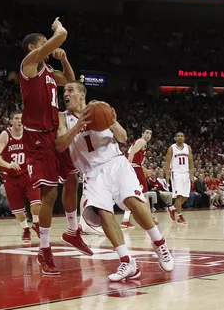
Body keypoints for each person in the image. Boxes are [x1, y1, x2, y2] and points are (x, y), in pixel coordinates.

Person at [56, 81, 173, 282]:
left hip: (115, 162)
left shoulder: (100, 108)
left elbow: (123, 137)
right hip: (92, 172)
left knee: (133, 202)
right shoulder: (62, 117)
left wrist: (110, 120)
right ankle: (127, 261)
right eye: (64, 90)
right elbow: (60, 145)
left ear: (82, 95)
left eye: (70, 90)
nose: (65, 93)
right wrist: (78, 125)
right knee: (104, 214)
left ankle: (159, 243)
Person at [20, 18, 91, 275]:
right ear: (33, 48)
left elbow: (70, 81)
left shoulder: (49, 72)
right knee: (49, 194)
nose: (47, 49)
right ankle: (45, 251)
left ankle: (73, 231)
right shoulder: (29, 66)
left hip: (53, 134)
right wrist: (57, 30)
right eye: (43, 45)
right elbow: (61, 35)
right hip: (37, 138)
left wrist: (64, 59)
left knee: (72, 178)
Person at [0, 111, 41, 242]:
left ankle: (36, 223)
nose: (20, 121)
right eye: (17, 118)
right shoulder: (5, 134)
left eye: (22, 118)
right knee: (19, 212)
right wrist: (8, 165)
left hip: (28, 174)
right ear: (12, 121)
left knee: (36, 204)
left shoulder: (29, 133)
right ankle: (25, 229)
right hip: (11, 177)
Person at [122, 129, 153, 229]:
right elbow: (131, 155)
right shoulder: (141, 141)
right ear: (142, 133)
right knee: (145, 194)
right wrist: (129, 167)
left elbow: (136, 160)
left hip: (136, 168)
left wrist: (146, 170)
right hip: (134, 168)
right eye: (147, 133)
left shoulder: (140, 142)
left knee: (133, 194)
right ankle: (149, 219)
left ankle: (126, 220)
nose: (148, 135)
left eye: (150, 134)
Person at [164, 132, 193, 225]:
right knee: (179, 195)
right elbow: (167, 162)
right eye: (178, 136)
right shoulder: (171, 148)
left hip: (186, 173)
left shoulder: (187, 148)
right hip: (176, 173)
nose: (180, 137)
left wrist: (191, 173)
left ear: (184, 138)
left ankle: (172, 208)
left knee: (186, 196)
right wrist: (167, 174)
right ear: (175, 138)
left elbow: (191, 161)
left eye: (181, 136)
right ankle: (180, 216)